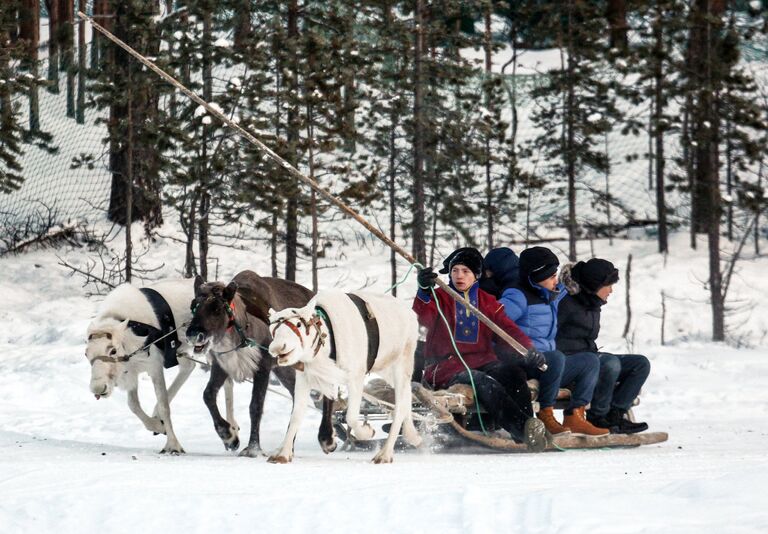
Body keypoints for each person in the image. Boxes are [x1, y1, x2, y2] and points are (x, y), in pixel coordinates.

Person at [413, 247, 550, 452]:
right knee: (482, 382)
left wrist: (528, 350)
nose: (459, 276)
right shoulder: (439, 297)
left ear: (476, 275)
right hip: (447, 366)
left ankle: (531, 427)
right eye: (455, 270)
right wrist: (424, 291)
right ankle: (523, 429)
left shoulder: (487, 301)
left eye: (466, 271)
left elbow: (507, 330)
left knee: (512, 373)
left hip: (483, 360)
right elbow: (423, 318)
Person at [489, 246, 608, 437]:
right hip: (526, 360)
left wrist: (580, 276)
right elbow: (495, 325)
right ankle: (546, 413)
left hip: (549, 362)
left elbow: (573, 285)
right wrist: (516, 352)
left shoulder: (549, 293)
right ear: (537, 277)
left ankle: (575, 415)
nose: (556, 280)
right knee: (556, 358)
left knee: (589, 361)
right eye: (551, 276)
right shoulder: (517, 295)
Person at [557, 258, 650, 434]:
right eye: (608, 285)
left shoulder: (592, 302)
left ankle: (615, 414)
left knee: (640, 364)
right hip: (571, 364)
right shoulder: (566, 303)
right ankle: (598, 417)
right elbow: (548, 336)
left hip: (590, 357)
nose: (611, 290)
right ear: (594, 285)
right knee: (609, 363)